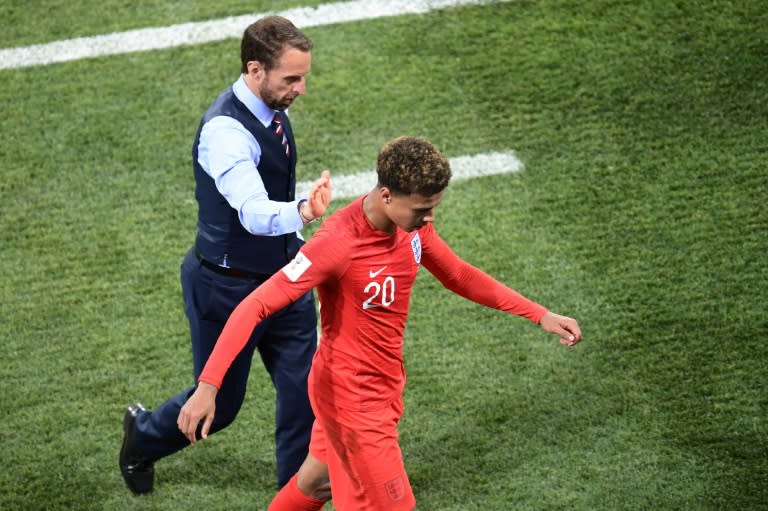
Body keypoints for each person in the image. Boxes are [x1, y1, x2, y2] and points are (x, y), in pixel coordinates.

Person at [177, 136, 583, 510]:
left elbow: (458, 275)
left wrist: (539, 314)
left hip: (380, 388)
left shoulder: (410, 229)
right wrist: (209, 385)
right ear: (386, 195)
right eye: (422, 210)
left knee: (317, 483)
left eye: (433, 208)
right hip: (353, 400)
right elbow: (257, 304)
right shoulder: (337, 243)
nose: (429, 219)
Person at [119, 16, 332, 495]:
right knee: (221, 405)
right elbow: (255, 214)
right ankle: (144, 436)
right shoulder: (225, 132)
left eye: (304, 76)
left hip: (285, 279)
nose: (301, 89)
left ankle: (294, 501)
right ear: (255, 69)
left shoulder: (268, 107)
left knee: (306, 396)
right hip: (228, 287)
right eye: (291, 79)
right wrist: (303, 211)